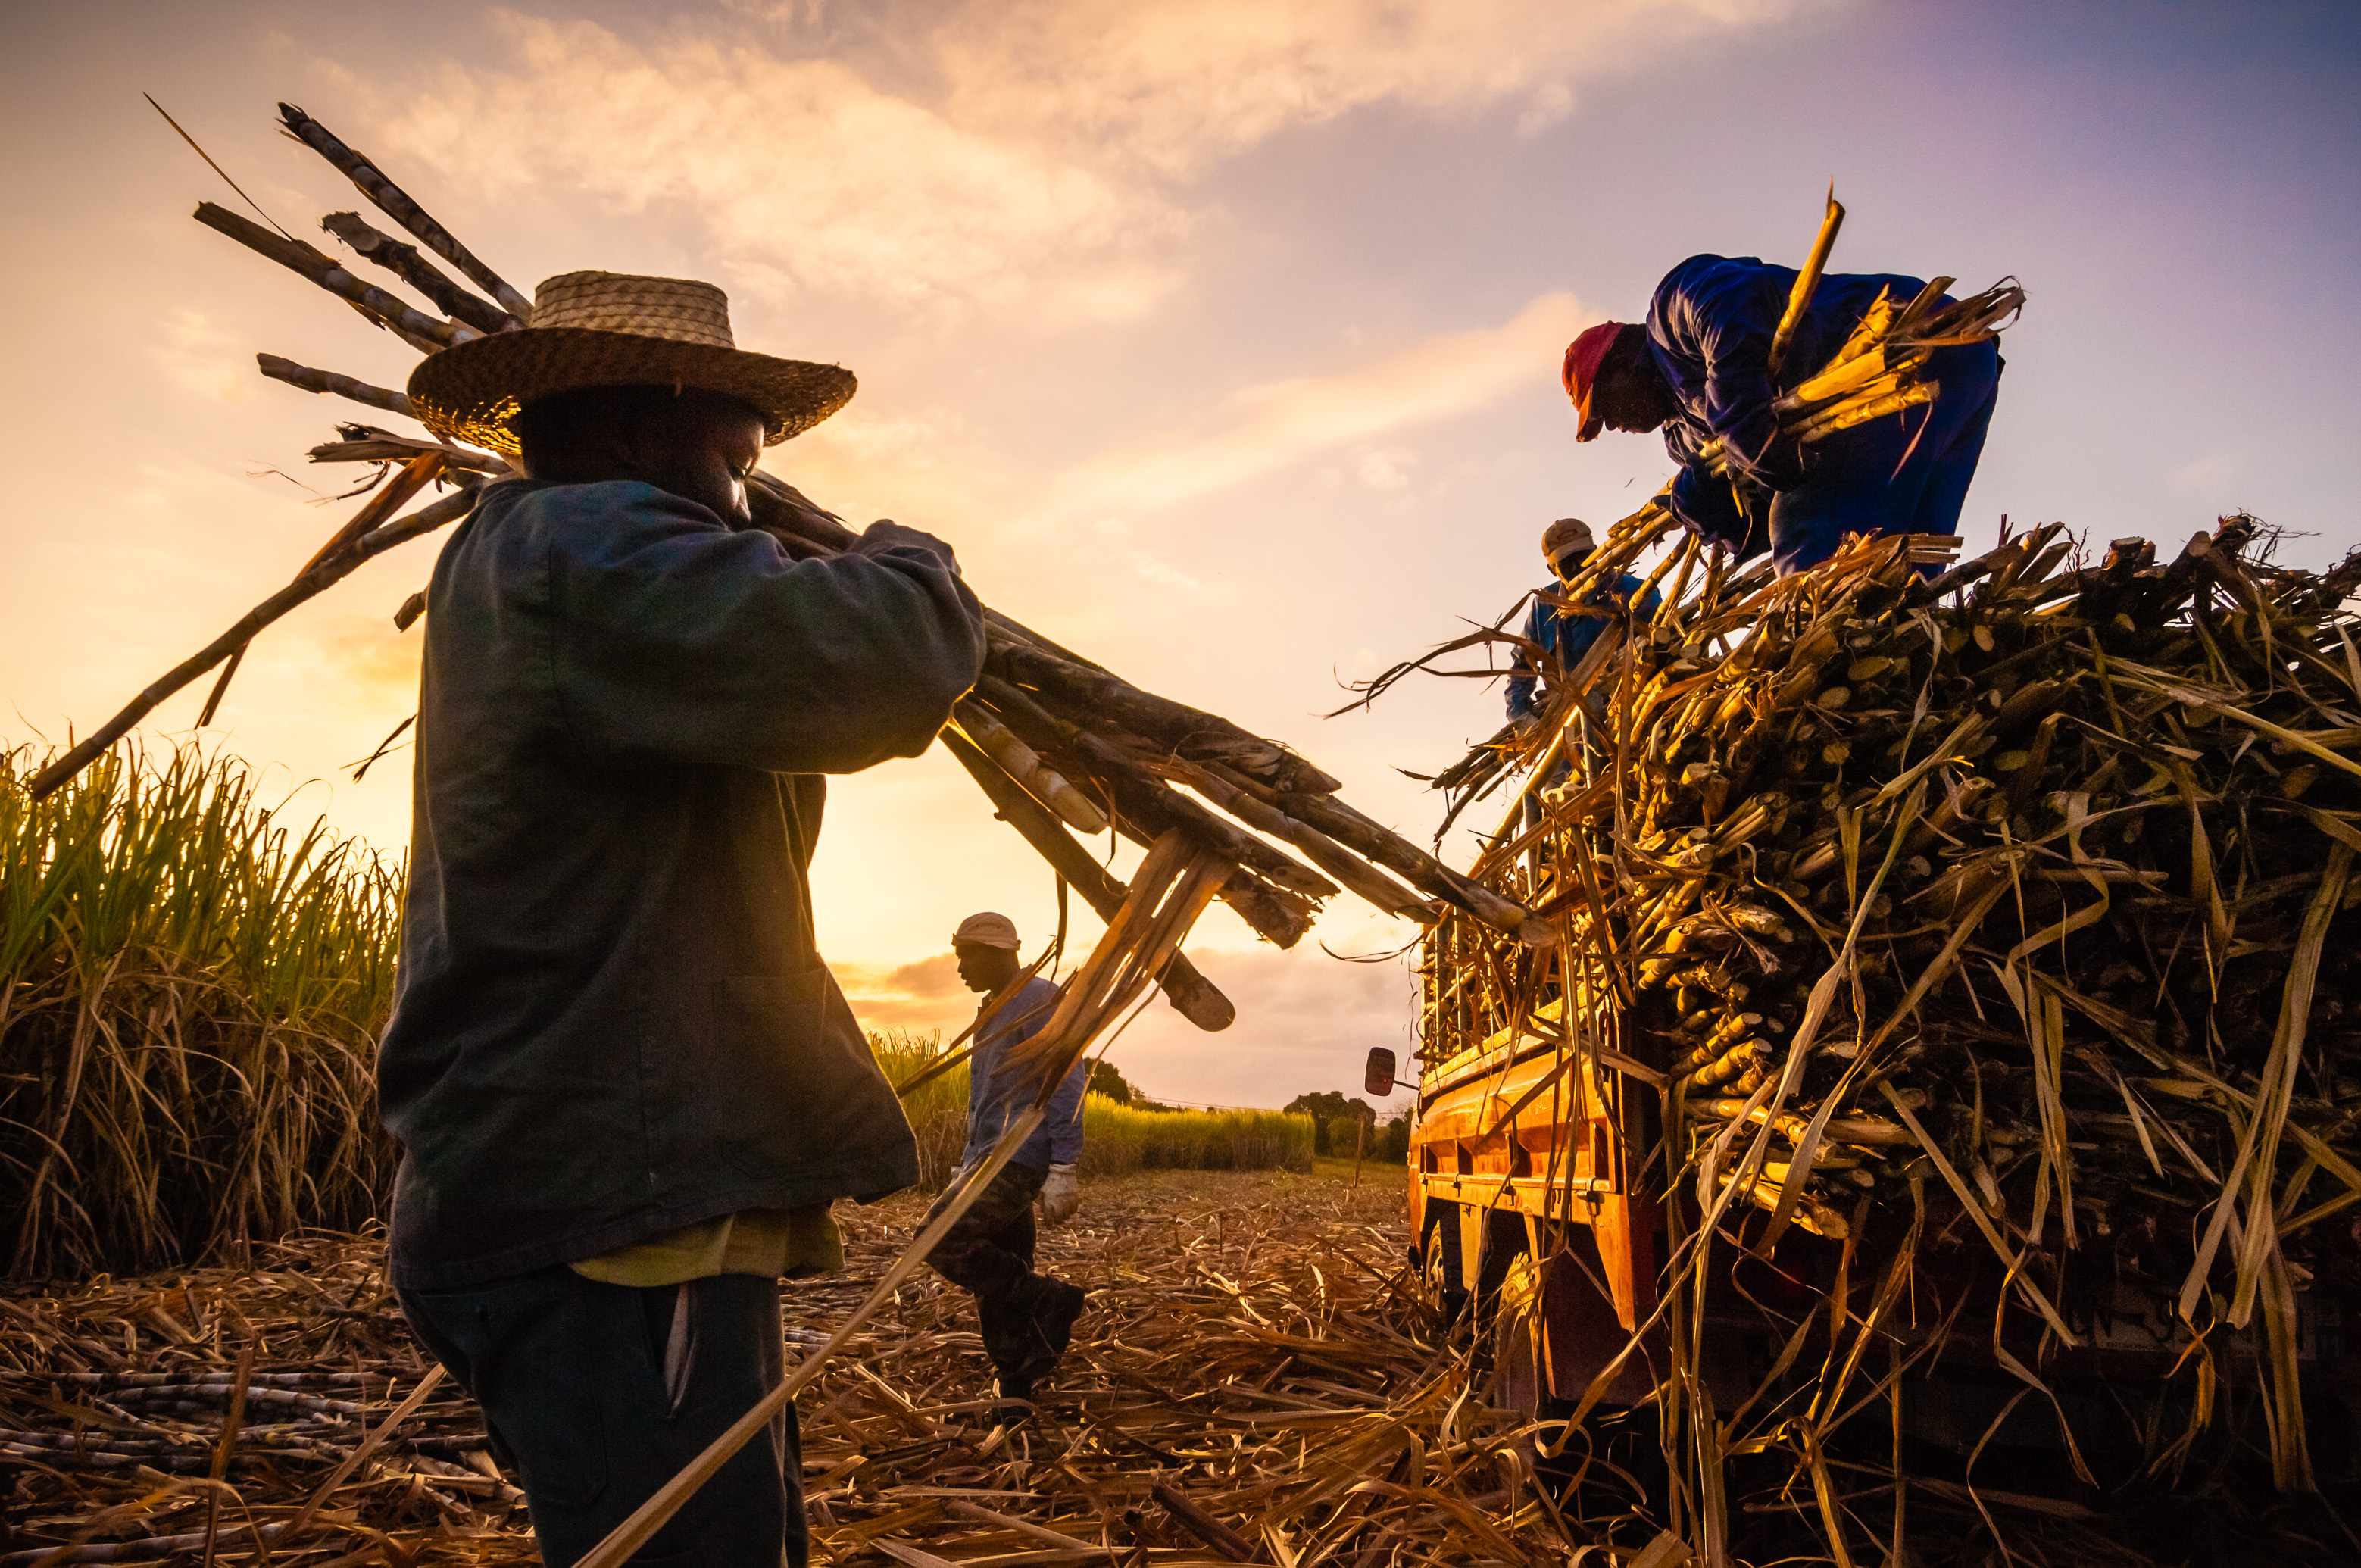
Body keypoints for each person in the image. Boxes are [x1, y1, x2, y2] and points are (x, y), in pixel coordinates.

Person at [379, 270, 988, 1568]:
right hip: (614, 1208)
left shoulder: (555, 557)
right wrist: (905, 557)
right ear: (643, 417)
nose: (747, 460)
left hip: (618, 1202)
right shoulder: (580, 547)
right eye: (743, 434)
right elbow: (888, 658)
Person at [1560, 254, 2002, 576]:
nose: (1615, 426)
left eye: (1605, 408)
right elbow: (1758, 511)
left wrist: (1746, 429)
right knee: (1907, 564)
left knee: (1808, 544)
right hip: (1962, 383)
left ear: (1621, 362)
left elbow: (1731, 307)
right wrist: (1711, 513)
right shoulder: (1684, 440)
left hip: (1906, 349)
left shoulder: (1672, 309)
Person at [925, 911, 1090, 1405]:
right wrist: (965, 1160)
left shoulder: (1038, 1000)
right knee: (1004, 1266)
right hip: (988, 1157)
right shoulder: (991, 1008)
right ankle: (1015, 1375)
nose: (959, 967)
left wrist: (1064, 1164)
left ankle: (1048, 1300)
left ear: (1000, 953)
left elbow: (1064, 1081)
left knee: (940, 1238)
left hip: (1017, 1157)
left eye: (966, 955)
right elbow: (984, 1097)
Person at [1504, 517, 1661, 731]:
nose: (1579, 567)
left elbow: (1665, 638)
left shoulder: (1633, 591)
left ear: (1597, 553)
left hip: (1634, 713)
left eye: (1584, 557)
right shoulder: (1544, 607)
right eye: (1567, 563)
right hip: (1569, 728)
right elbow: (1521, 669)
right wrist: (1521, 716)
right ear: (1553, 570)